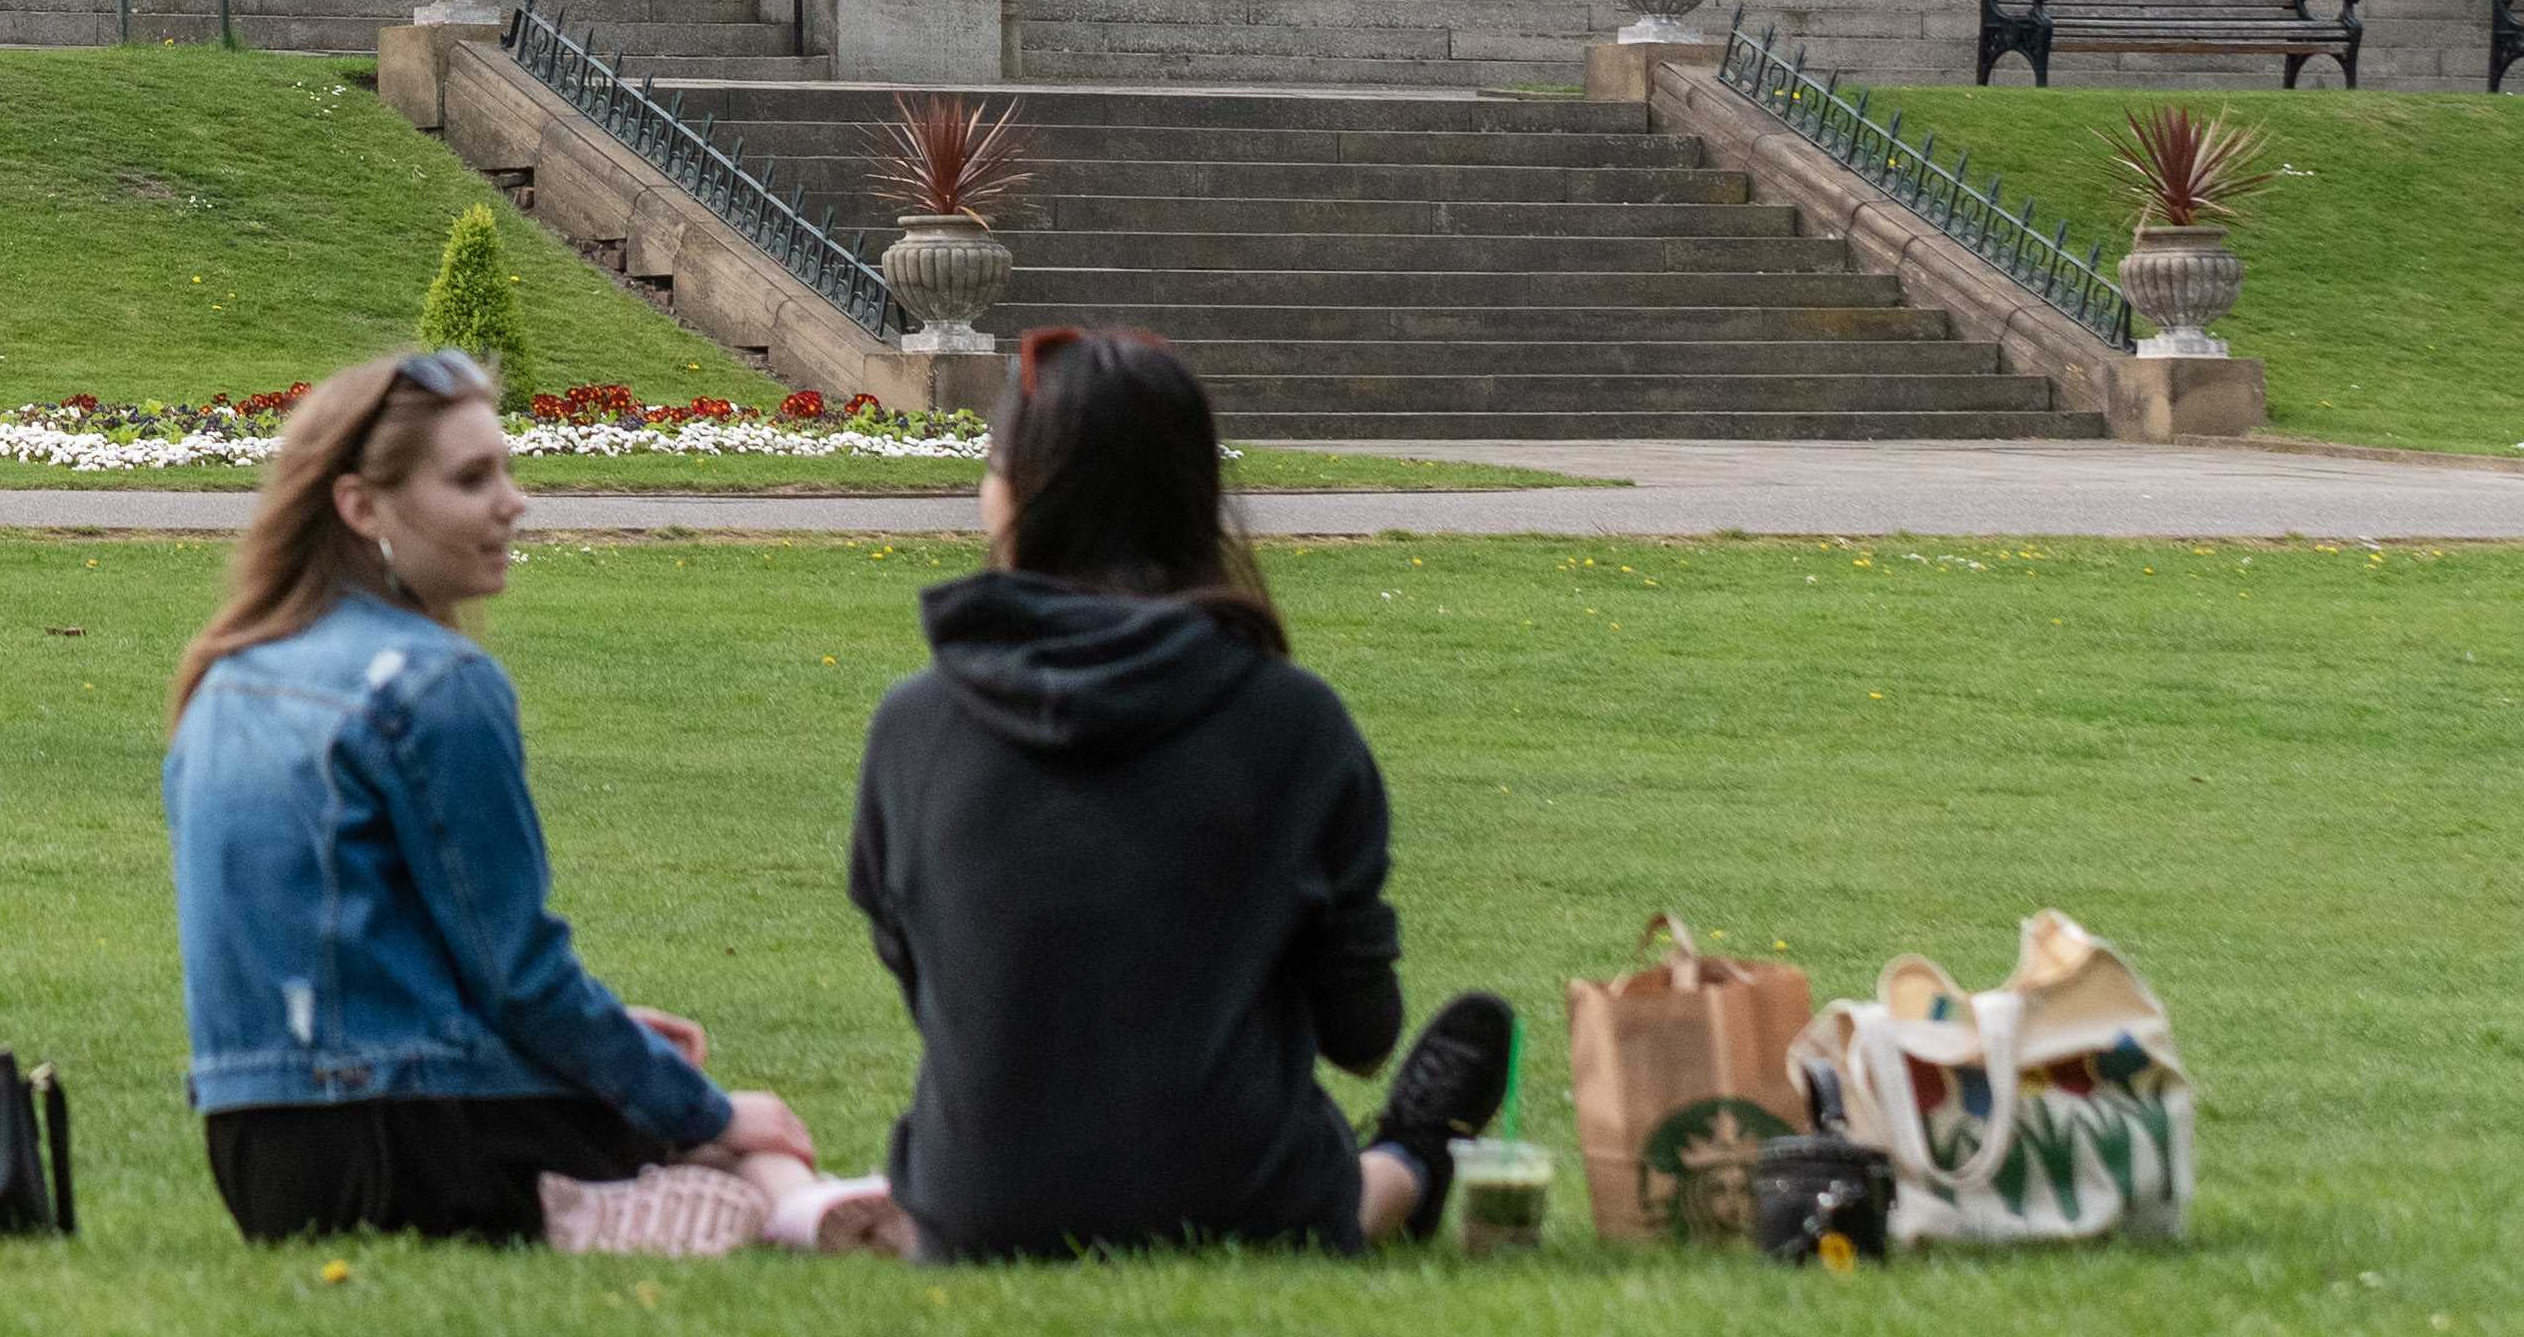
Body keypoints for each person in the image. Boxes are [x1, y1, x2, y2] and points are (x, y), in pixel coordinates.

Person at [833, 324, 1516, 1263]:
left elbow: (930, 974)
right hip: (1246, 1195)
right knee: (1354, 1177)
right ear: (1196, 499)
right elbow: (1362, 1029)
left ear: (1013, 497)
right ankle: (1418, 1152)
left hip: (977, 1207)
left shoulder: (913, 724)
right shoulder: (1293, 722)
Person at [162, 344, 823, 1244]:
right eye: (473, 479)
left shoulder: (224, 679)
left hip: (261, 1159)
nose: (513, 502)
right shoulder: (435, 683)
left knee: (641, 1077)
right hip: (410, 1142)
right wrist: (703, 1111)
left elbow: (366, 951)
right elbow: (520, 976)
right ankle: (785, 1215)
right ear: (362, 507)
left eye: (506, 470)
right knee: (745, 1136)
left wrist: (608, 1044)